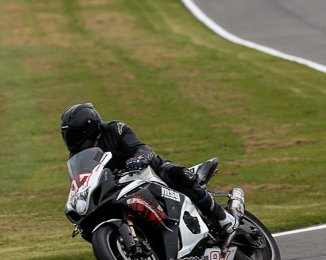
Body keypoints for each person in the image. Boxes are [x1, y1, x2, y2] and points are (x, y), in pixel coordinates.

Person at [61, 102, 236, 240]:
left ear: (89, 128)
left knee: (179, 176)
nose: (72, 141)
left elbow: (143, 148)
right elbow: (82, 180)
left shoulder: (115, 129)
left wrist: (138, 159)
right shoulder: (76, 156)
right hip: (117, 186)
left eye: (75, 135)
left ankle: (223, 217)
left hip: (149, 170)